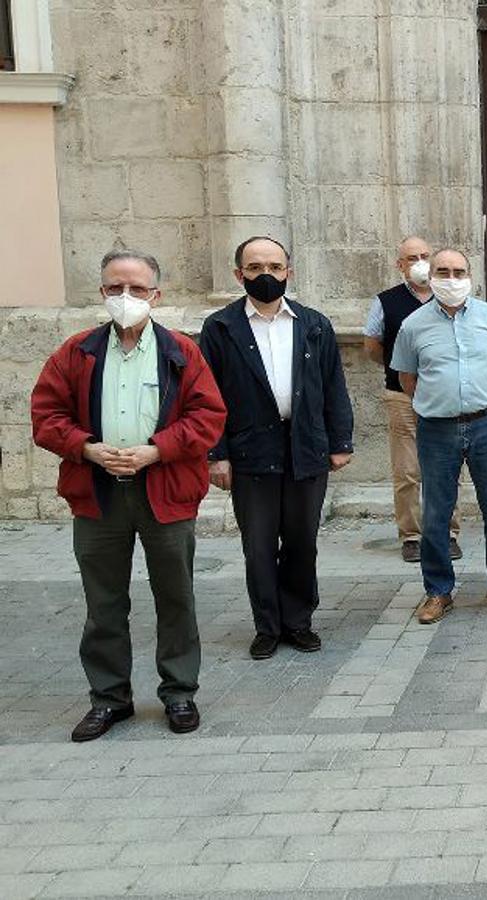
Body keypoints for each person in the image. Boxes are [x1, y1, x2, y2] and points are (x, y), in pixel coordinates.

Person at [31, 249, 226, 741]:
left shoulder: (181, 351)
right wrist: (88, 450)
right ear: (102, 293)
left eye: (137, 289)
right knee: (103, 602)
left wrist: (156, 451)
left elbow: (207, 418)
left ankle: (179, 692)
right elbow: (46, 415)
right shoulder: (76, 352)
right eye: (116, 288)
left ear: (156, 295)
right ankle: (109, 698)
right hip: (97, 495)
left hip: (164, 490)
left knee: (175, 596)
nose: (126, 297)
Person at [201, 237, 354, 661]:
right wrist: (217, 454)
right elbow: (207, 397)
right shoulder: (219, 328)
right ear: (239, 274)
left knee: (303, 540)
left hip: (306, 447)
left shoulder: (314, 324)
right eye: (254, 267)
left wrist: (340, 441)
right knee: (260, 543)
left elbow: (333, 387)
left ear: (289, 271)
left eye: (274, 266)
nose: (265, 275)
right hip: (251, 451)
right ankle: (267, 626)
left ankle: (298, 621)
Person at [391, 249, 487, 625]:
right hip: (436, 428)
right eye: (443, 271)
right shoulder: (413, 325)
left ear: (471, 275)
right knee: (436, 512)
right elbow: (407, 379)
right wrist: (440, 401)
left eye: (459, 271)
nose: (451, 279)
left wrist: (482, 399)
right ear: (429, 275)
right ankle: (437, 591)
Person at [364, 236, 461, 562]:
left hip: (446, 397)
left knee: (446, 468)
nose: (419, 262)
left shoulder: (450, 296)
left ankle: (448, 533)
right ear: (400, 265)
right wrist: (402, 370)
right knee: (407, 470)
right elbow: (373, 347)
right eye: (411, 257)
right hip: (402, 396)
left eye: (424, 255)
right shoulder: (385, 302)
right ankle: (412, 536)